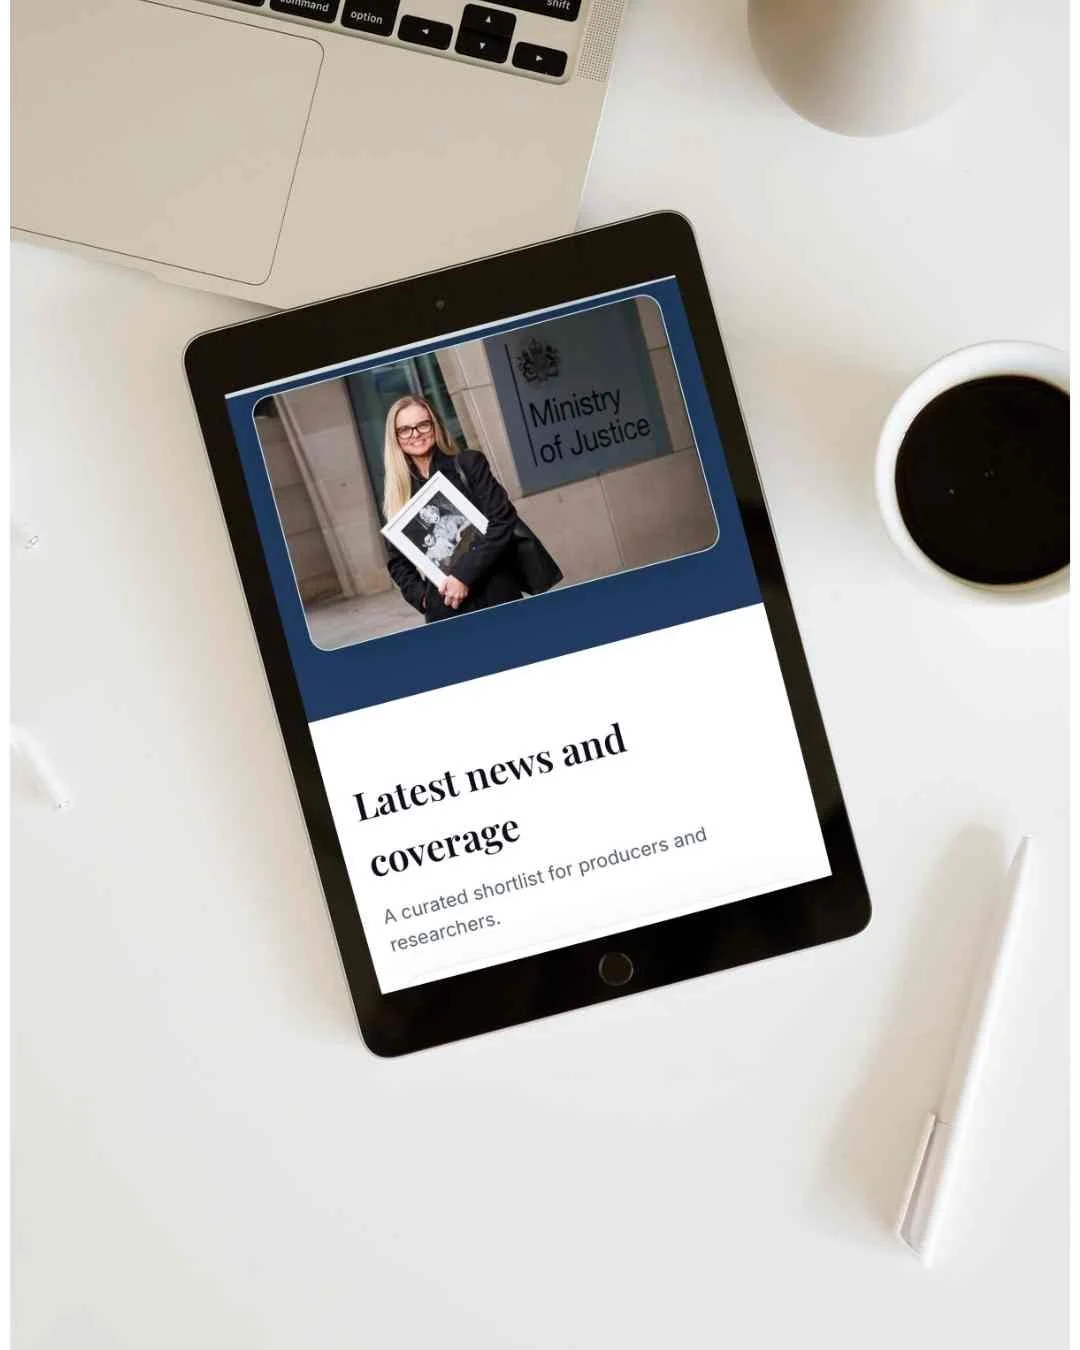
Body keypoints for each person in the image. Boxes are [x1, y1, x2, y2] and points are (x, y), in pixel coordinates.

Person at [382, 395, 524, 623]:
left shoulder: (469, 464)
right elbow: (397, 562)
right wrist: (423, 599)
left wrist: (462, 576)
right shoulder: (398, 493)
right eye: (405, 430)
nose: (415, 434)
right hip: (445, 608)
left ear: (434, 426)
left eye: (422, 424)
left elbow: (502, 520)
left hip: (495, 594)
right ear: (396, 438)